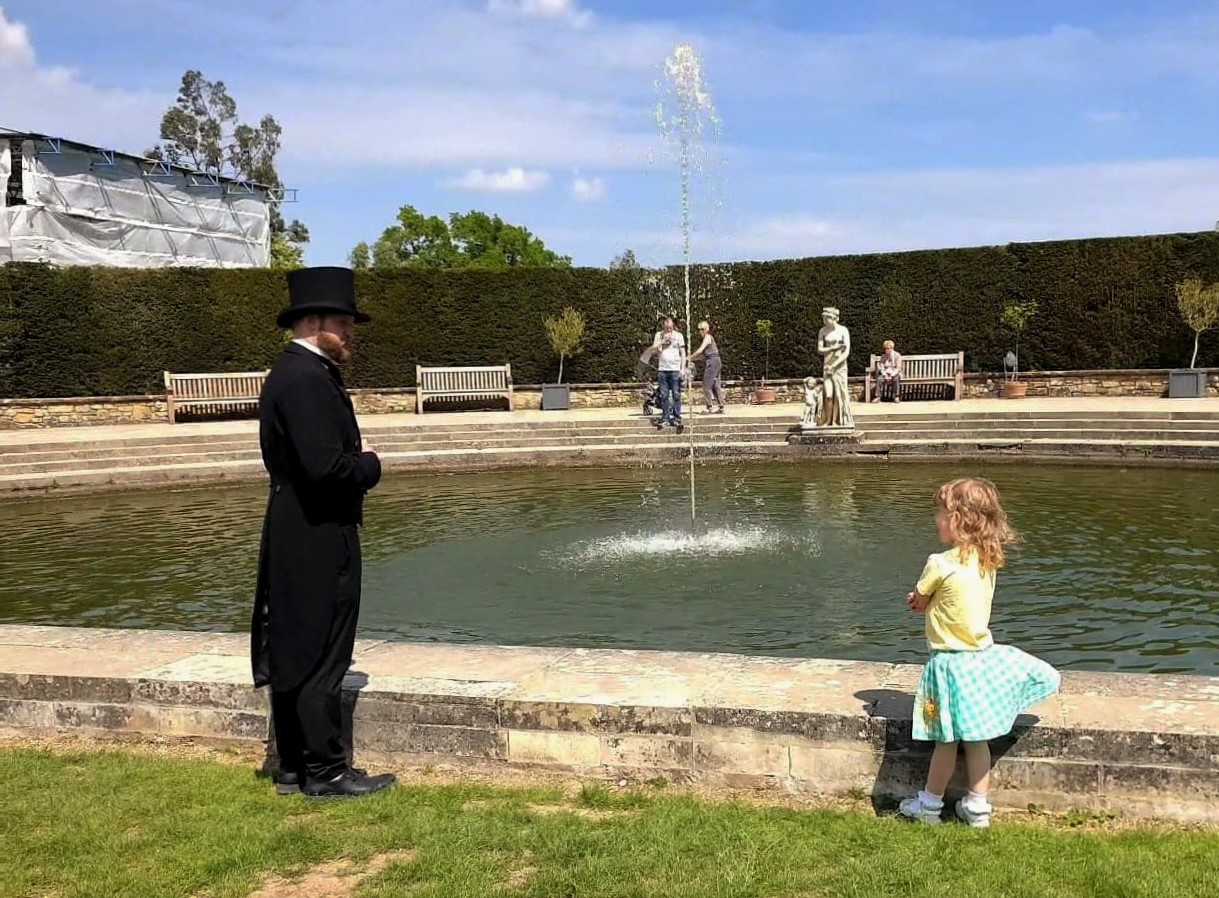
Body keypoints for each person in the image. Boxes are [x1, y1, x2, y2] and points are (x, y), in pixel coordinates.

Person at [252, 266, 396, 800]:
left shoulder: (289, 373)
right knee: (322, 650)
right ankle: (327, 771)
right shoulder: (307, 379)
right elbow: (325, 469)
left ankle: (292, 765)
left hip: (295, 525)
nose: (352, 331)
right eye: (343, 322)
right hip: (318, 530)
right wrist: (371, 465)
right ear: (313, 322)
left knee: (295, 641)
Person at [900, 478, 1060, 828]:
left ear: (957, 519)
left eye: (940, 512)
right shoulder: (988, 560)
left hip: (947, 665)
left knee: (945, 739)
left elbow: (919, 600)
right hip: (979, 660)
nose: (935, 519)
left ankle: (929, 805)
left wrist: (917, 600)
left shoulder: (939, 563)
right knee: (976, 738)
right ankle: (977, 806)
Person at [816, 307, 853, 427]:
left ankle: (836, 421)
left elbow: (846, 352)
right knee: (828, 395)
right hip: (827, 366)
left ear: (833, 318)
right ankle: (827, 419)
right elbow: (820, 349)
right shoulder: (823, 331)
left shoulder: (843, 330)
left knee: (839, 395)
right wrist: (833, 348)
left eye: (827, 318)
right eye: (824, 318)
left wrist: (834, 365)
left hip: (839, 366)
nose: (825, 321)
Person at [651, 316, 686, 428]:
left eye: (670, 327)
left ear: (673, 326)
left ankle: (676, 418)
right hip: (663, 369)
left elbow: (683, 353)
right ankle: (665, 417)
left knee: (676, 394)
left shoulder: (678, 336)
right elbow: (654, 351)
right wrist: (662, 341)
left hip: (675, 369)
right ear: (663, 326)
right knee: (664, 395)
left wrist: (683, 369)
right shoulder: (658, 335)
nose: (669, 329)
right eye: (667, 327)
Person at [688, 320, 726, 414]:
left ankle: (710, 407)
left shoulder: (708, 337)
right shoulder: (709, 339)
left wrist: (689, 357)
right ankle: (721, 407)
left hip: (712, 362)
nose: (700, 331)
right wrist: (691, 359)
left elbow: (700, 350)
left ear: (706, 329)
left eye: (702, 329)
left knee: (706, 385)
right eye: (699, 329)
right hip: (716, 361)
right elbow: (702, 356)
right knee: (715, 385)